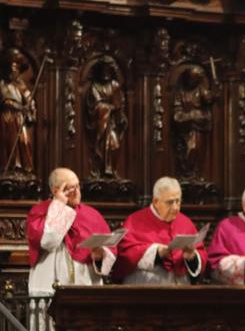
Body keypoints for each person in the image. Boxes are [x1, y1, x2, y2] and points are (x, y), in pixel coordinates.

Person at [26, 167, 115, 295]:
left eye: (78, 186)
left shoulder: (92, 215)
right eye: (70, 188)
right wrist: (59, 206)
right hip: (49, 281)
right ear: (55, 190)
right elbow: (49, 242)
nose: (77, 192)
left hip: (86, 282)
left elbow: (109, 249)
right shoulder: (40, 211)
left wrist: (100, 256)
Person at [113, 177, 206, 285]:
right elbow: (126, 255)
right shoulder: (135, 221)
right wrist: (156, 252)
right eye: (170, 202)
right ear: (156, 201)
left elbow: (201, 253)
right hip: (145, 286)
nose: (175, 207)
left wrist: (191, 256)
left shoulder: (185, 222)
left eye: (178, 201)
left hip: (180, 288)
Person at [0, 48, 35, 174]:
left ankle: (24, 168)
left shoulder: (19, 86)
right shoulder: (3, 84)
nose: (14, 73)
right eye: (12, 70)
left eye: (16, 71)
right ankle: (11, 168)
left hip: (20, 119)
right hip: (8, 118)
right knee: (9, 142)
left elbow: (29, 100)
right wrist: (21, 107)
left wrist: (31, 106)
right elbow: (6, 101)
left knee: (24, 143)